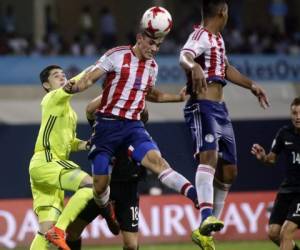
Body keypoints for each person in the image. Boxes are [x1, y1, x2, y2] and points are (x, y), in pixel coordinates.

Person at [48, 6, 199, 249]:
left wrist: (178, 97)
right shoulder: (117, 55)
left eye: (158, 45)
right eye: (151, 43)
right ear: (140, 38)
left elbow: (150, 93)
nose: (154, 49)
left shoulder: (153, 68)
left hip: (132, 127)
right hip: (107, 127)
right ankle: (108, 211)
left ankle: (199, 199)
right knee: (98, 186)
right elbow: (89, 79)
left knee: (158, 162)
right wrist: (70, 88)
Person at [179, 0, 270, 249]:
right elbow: (184, 56)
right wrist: (194, 65)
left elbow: (226, 69)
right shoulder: (201, 35)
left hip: (221, 110)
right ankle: (206, 218)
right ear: (223, 12)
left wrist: (252, 85)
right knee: (208, 158)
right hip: (202, 106)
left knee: (230, 171)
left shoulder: (218, 39)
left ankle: (206, 231)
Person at [29, 65, 118, 250]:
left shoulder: (69, 113)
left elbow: (69, 143)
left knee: (44, 231)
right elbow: (71, 85)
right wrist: (100, 66)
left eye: (63, 74)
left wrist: (86, 144)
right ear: (46, 85)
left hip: (45, 168)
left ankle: (55, 231)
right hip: (48, 161)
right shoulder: (51, 98)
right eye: (56, 76)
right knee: (89, 185)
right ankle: (60, 231)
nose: (62, 78)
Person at [65, 96, 149, 250]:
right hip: (100, 187)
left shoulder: (138, 132)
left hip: (127, 190)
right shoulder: (103, 128)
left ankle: (111, 215)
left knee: (131, 245)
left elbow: (144, 113)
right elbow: (90, 110)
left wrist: (136, 95)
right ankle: (107, 212)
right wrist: (114, 90)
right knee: (72, 231)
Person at [251, 97, 300, 250]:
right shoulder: (284, 133)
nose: (298, 116)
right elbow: (271, 160)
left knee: (286, 232)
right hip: (287, 190)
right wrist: (263, 157)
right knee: (273, 233)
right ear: (290, 114)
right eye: (294, 113)